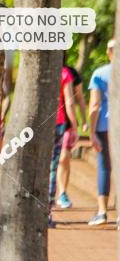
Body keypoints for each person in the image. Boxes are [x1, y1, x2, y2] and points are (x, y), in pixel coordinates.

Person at [56, 56, 88, 209]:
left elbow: (79, 98)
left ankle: (62, 192)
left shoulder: (71, 73)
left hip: (65, 124)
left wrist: (83, 120)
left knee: (64, 158)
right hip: (50, 123)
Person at [88, 38, 114, 226]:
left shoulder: (100, 74)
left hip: (105, 126)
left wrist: (91, 131)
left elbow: (95, 106)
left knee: (105, 167)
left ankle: (103, 212)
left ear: (108, 53)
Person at [49, 63, 77, 226]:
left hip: (35, 124)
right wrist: (74, 126)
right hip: (58, 122)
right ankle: (47, 212)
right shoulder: (64, 72)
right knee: (52, 167)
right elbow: (69, 101)